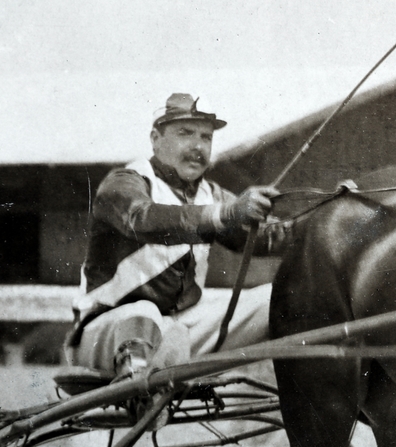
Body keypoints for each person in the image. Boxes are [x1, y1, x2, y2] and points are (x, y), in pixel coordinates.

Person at [67, 93, 286, 383]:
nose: (198, 146)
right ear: (155, 138)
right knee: (144, 311)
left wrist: (337, 218)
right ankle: (139, 392)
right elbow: (143, 219)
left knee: (280, 296)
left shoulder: (211, 195)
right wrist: (226, 213)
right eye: (185, 133)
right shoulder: (125, 181)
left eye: (206, 138)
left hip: (181, 335)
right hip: (108, 334)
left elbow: (271, 237)